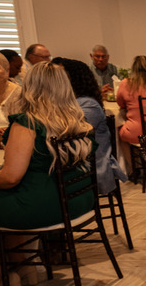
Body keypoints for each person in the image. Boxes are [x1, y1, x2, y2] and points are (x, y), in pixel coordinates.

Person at [0, 62, 95, 286]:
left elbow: (10, 177)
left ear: (30, 88)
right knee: (6, 200)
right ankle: (24, 269)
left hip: (44, 206)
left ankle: (5, 274)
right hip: (78, 201)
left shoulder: (28, 123)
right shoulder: (79, 121)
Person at [54, 57, 126, 196]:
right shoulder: (70, 103)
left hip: (91, 168)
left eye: (61, 76)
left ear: (73, 79)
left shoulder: (87, 105)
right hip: (77, 162)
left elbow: (67, 134)